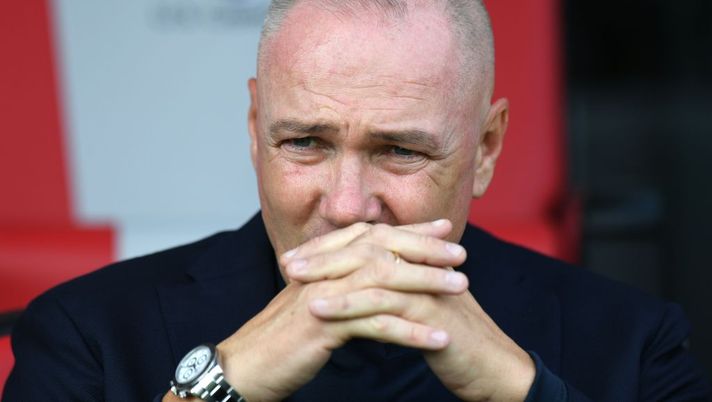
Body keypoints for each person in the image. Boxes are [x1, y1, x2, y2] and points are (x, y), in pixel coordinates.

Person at [3, 0, 710, 401]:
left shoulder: (630, 345)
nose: (346, 206)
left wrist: (519, 391)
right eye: (305, 142)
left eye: (400, 151)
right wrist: (218, 386)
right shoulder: (88, 335)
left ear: (486, 148)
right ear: (256, 131)